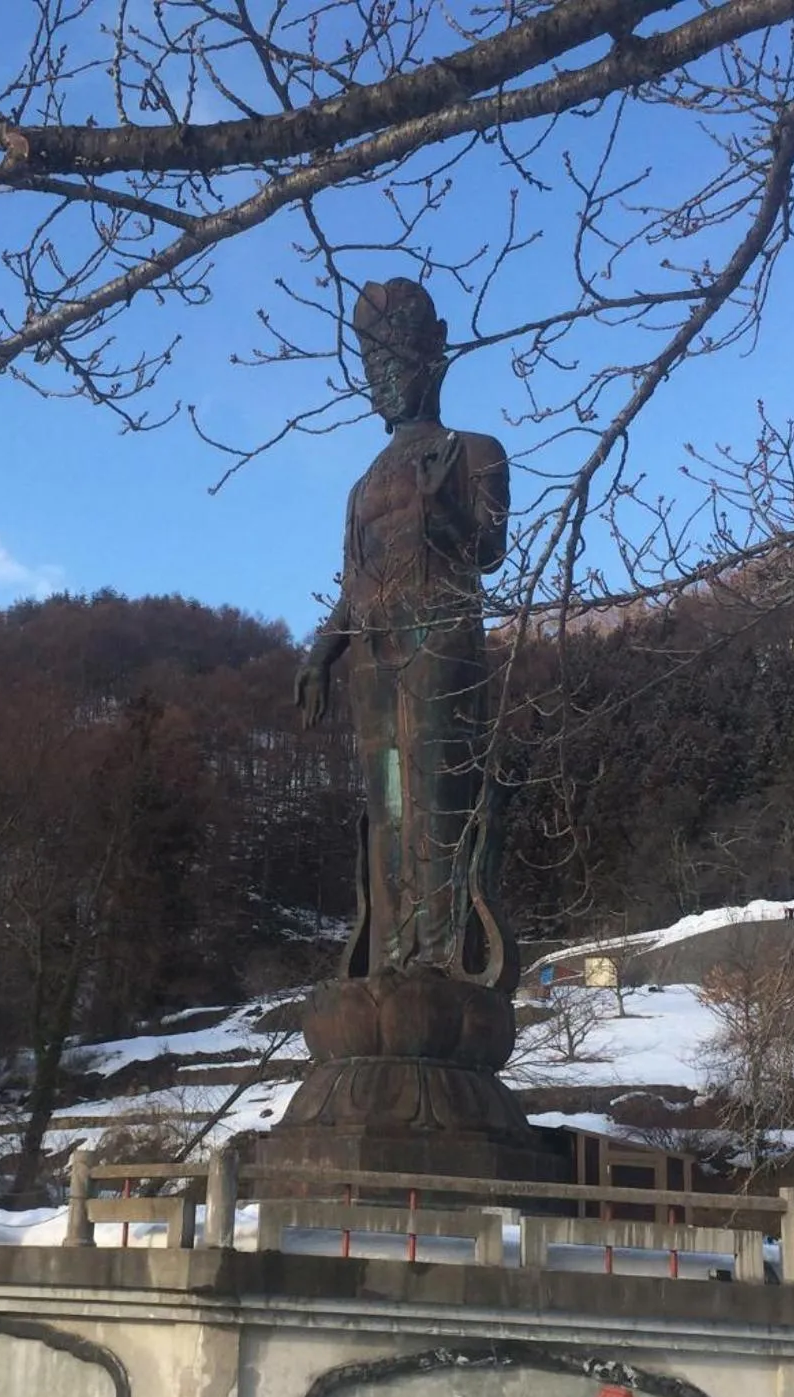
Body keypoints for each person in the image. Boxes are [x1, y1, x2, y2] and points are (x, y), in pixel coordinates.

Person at [295, 278, 517, 990]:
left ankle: (444, 954)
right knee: (385, 806)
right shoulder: (362, 483)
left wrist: (439, 507)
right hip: (373, 649)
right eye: (372, 369)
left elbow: (486, 552)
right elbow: (354, 582)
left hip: (440, 634)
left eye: (395, 366)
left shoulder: (474, 450)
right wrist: (322, 650)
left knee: (437, 792)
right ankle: (391, 954)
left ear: (434, 360)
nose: (383, 384)